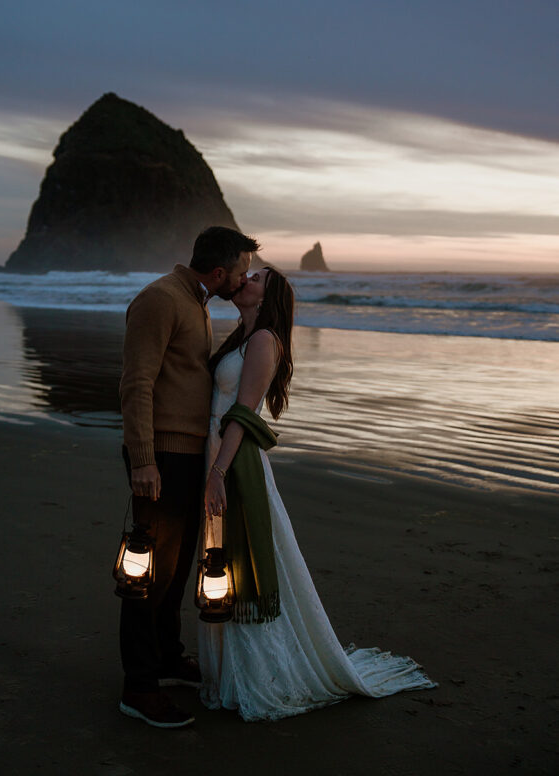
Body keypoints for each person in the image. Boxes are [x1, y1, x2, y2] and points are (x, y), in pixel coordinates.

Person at [200, 266, 437, 721]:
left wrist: (216, 472)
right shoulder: (238, 337)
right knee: (221, 560)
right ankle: (227, 672)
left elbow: (243, 417)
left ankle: (260, 677)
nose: (244, 280)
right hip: (217, 457)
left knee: (241, 561)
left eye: (255, 279)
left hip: (234, 462)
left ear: (266, 299)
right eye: (245, 273)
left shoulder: (265, 340)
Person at [118, 226, 260, 729]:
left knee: (176, 571)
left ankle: (166, 656)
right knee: (147, 575)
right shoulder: (160, 299)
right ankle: (139, 687)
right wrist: (142, 459)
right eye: (241, 271)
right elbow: (136, 383)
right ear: (220, 272)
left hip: (188, 455)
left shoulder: (194, 300)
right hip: (161, 455)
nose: (244, 279)